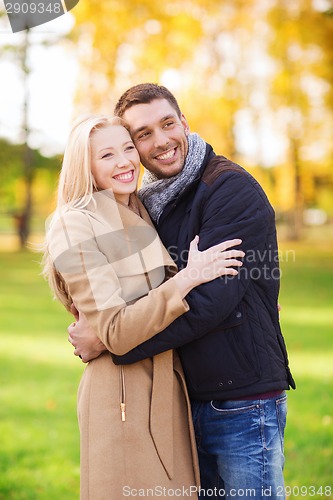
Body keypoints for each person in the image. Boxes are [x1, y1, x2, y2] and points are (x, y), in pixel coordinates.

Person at [69, 84, 296, 500]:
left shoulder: (230, 189)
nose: (161, 141)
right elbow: (125, 294)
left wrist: (110, 341)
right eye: (143, 134)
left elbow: (211, 302)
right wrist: (105, 324)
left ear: (185, 124)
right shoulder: (148, 203)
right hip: (186, 398)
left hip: (242, 401)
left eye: (167, 124)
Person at [43, 114, 245, 500]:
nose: (124, 162)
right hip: (122, 397)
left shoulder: (141, 210)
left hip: (170, 388)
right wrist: (189, 277)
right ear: (84, 166)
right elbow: (116, 332)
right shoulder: (74, 223)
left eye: (127, 148)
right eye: (106, 155)